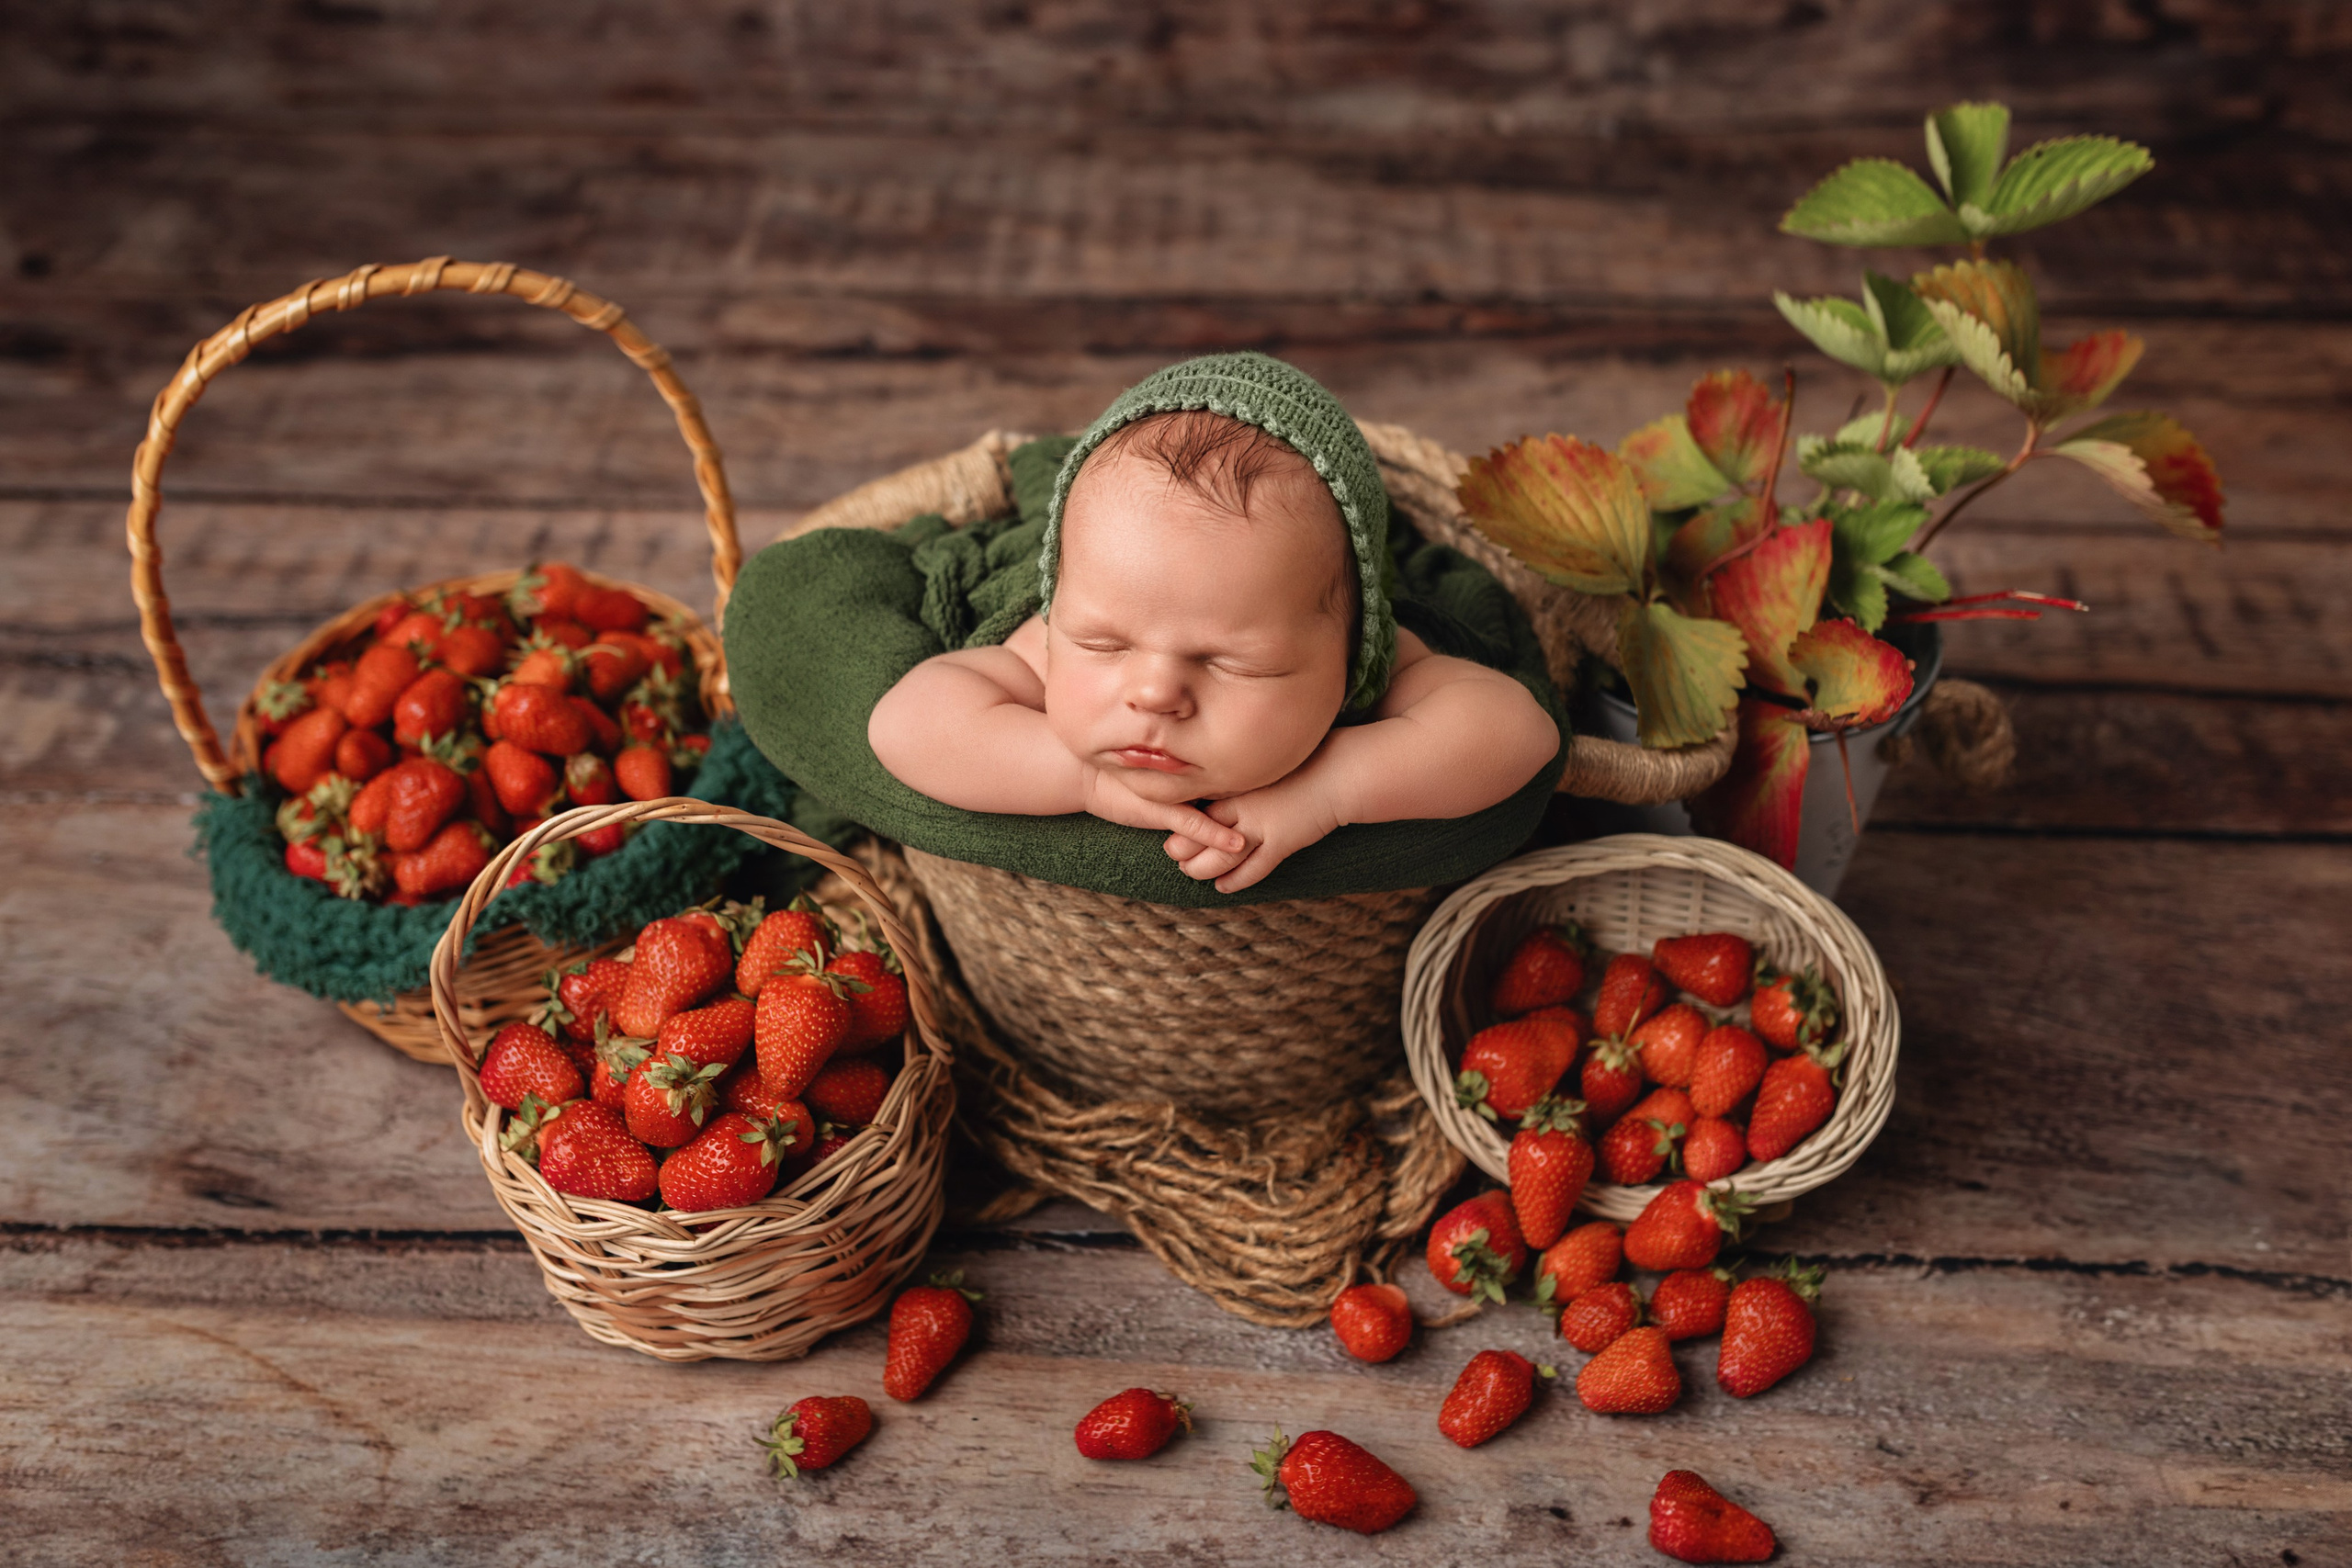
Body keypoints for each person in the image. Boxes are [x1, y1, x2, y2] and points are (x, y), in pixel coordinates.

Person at [868, 354, 1559, 895]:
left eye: (1234, 661)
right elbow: (906, 725)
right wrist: (1086, 783)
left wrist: (1327, 791)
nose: (1153, 691)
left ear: (1351, 649)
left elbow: (1519, 733)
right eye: (1104, 643)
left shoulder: (1375, 667)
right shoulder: (1051, 643)